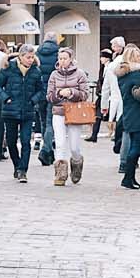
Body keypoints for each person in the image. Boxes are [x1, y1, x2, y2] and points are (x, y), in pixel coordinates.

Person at [0, 45, 45, 181]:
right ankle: (16, 165)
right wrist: (6, 98)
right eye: (28, 57)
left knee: (25, 141)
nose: (30, 60)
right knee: (11, 142)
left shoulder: (36, 71)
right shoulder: (9, 68)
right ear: (21, 57)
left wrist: (33, 100)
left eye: (32, 57)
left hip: (27, 111)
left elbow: (41, 90)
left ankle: (23, 170)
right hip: (10, 110)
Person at [48, 46, 94, 186]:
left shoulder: (80, 74)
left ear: (71, 59)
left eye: (65, 58)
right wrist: (59, 94)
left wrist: (72, 93)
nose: (62, 61)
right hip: (59, 112)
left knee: (74, 146)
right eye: (60, 58)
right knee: (60, 143)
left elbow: (85, 94)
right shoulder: (54, 75)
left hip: (75, 113)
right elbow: (49, 96)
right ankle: (60, 174)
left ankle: (77, 165)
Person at [115, 46, 140, 188]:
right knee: (136, 146)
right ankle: (128, 177)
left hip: (129, 112)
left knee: (134, 144)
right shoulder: (136, 74)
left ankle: (130, 177)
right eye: (138, 56)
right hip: (139, 113)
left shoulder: (123, 74)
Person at [89, 48, 113, 144]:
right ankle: (94, 134)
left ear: (107, 58)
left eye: (102, 57)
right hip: (102, 94)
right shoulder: (103, 67)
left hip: (108, 94)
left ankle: (113, 133)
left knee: (111, 115)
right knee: (97, 114)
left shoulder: (109, 67)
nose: (101, 59)